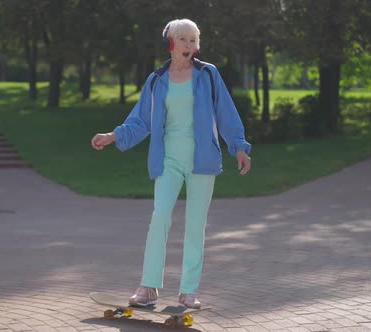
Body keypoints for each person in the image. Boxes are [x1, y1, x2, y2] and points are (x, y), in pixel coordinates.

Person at [90, 18, 251, 309]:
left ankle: (188, 290)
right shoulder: (157, 79)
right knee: (160, 217)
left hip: (202, 159)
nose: (189, 45)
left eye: (193, 40)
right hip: (168, 159)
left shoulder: (208, 75)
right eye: (183, 40)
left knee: (194, 224)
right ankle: (148, 286)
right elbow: (140, 120)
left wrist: (239, 147)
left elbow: (226, 113)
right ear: (171, 44)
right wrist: (113, 135)